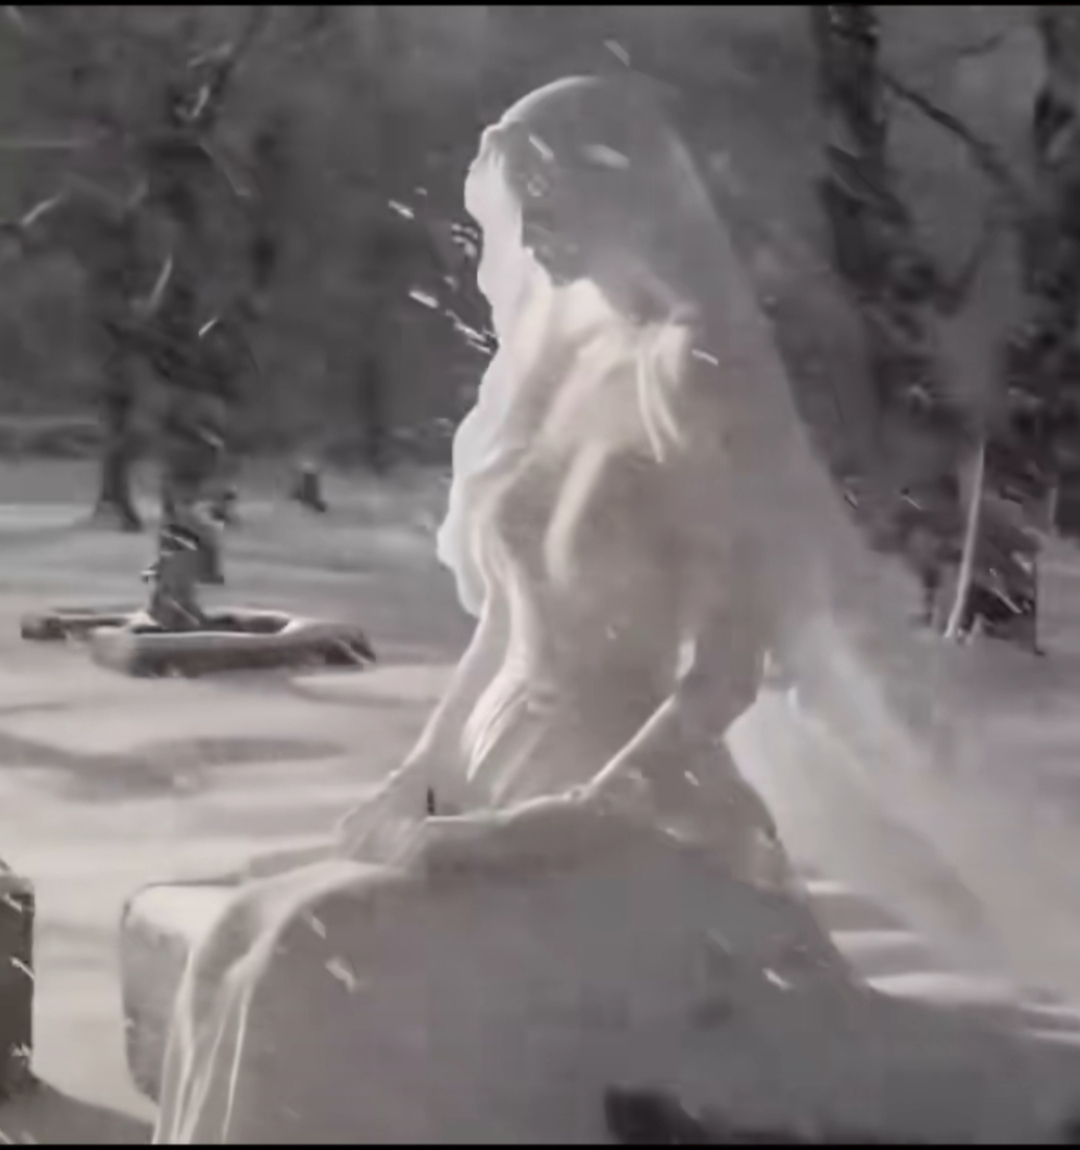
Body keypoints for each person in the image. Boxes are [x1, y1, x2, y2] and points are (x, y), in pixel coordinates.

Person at [147, 77, 1062, 1144]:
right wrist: (421, 773)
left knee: (309, 955)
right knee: (239, 938)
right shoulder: (554, 368)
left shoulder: (696, 372)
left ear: (620, 191)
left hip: (642, 833)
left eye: (551, 198)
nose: (531, 231)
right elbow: (507, 629)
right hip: (491, 796)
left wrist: (573, 820)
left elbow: (722, 672)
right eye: (519, 205)